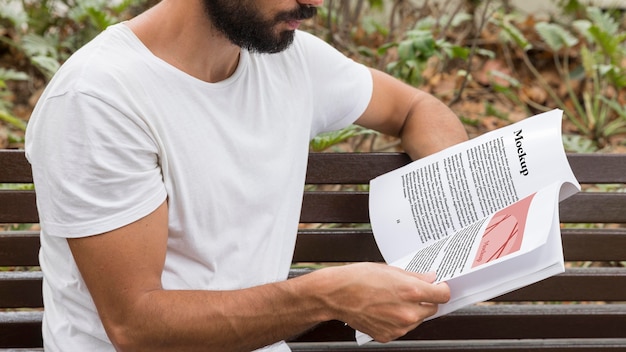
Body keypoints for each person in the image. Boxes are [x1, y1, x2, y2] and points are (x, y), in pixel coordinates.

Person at [24, 0, 469, 351]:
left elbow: (416, 108)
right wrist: (323, 295)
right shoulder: (97, 98)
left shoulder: (293, 63)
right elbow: (136, 328)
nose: (314, 2)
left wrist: (464, 197)